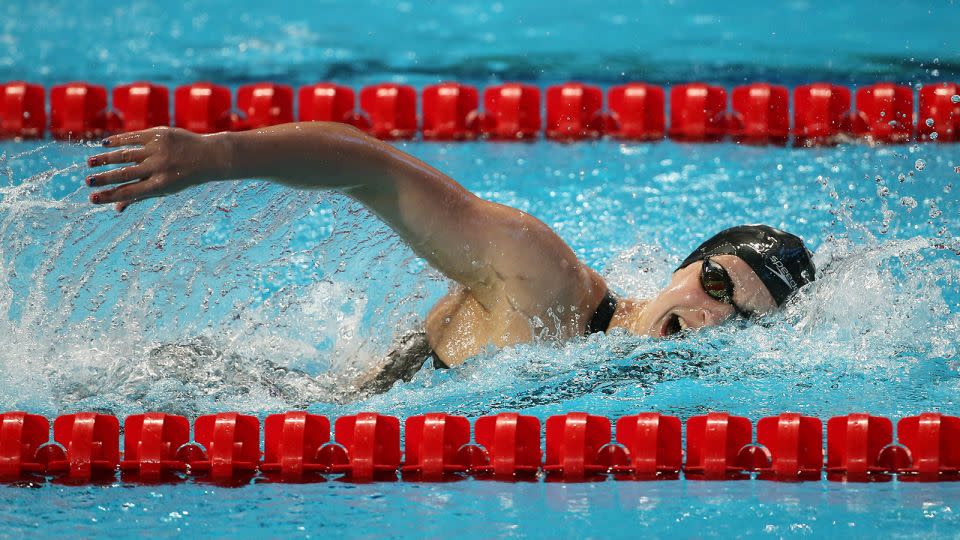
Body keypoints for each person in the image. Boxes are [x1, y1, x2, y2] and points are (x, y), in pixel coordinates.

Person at [85, 122, 815, 392]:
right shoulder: (543, 279)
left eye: (740, 316)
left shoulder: (639, 388)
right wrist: (219, 153)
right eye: (716, 282)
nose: (712, 316)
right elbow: (376, 170)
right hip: (225, 399)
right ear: (684, 268)